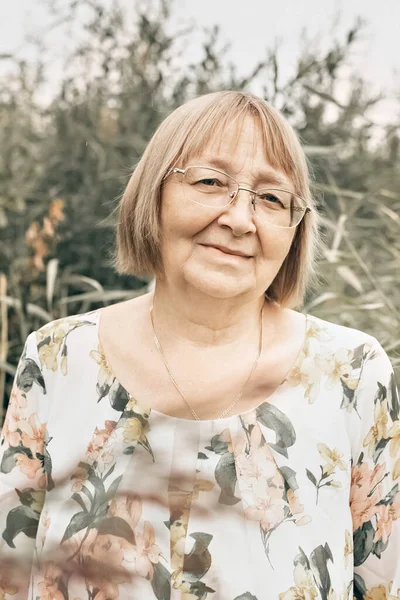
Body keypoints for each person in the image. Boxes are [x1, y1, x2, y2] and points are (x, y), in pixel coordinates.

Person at [0, 90, 399, 600]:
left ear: (295, 231)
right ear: (154, 192)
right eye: (211, 183)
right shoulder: (58, 357)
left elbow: (384, 585)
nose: (239, 219)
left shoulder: (352, 373)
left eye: (272, 198)